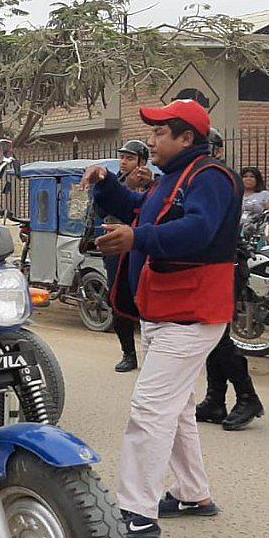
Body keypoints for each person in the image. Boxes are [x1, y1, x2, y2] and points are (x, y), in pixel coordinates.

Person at [82, 99, 241, 538]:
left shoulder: (210, 177)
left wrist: (138, 237)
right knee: (177, 408)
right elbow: (139, 209)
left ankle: (136, 514)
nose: (150, 141)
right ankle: (193, 494)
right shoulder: (175, 177)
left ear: (186, 138)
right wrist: (106, 184)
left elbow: (197, 231)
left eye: (159, 133)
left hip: (190, 314)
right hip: (170, 311)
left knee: (150, 410)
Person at [197, 134, 263, 430]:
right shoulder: (200, 176)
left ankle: (248, 396)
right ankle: (215, 399)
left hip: (225, 265)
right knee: (210, 337)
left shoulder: (219, 178)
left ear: (218, 150)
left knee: (218, 336)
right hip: (207, 266)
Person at [89, 139, 152, 372]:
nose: (124, 162)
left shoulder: (152, 183)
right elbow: (101, 210)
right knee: (117, 296)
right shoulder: (114, 182)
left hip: (141, 244)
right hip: (116, 247)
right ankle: (128, 353)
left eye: (129, 158)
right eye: (122, 157)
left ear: (142, 161)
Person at [239, 166, 269, 246]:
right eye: (245, 176)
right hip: (237, 236)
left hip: (256, 236)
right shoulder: (236, 194)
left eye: (252, 176)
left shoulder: (264, 195)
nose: (248, 179)